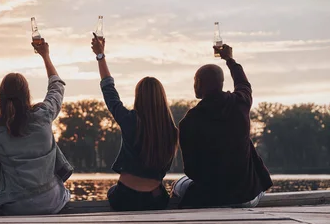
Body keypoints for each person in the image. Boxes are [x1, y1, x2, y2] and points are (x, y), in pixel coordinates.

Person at [172, 44, 273, 208]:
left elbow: (191, 170)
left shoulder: (189, 121)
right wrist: (229, 59)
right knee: (258, 183)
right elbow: (243, 83)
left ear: (198, 83)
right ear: (221, 83)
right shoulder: (240, 103)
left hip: (211, 197)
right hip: (247, 197)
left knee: (179, 184)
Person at [0, 38, 73, 215]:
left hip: (14, 205)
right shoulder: (43, 115)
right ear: (27, 94)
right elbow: (57, 87)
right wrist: (45, 56)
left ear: (0, 95)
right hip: (51, 201)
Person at [91, 33, 179, 211]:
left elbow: (109, 90)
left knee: (111, 192)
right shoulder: (172, 130)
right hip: (156, 199)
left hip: (124, 197)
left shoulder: (130, 120)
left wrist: (100, 56)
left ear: (138, 97)